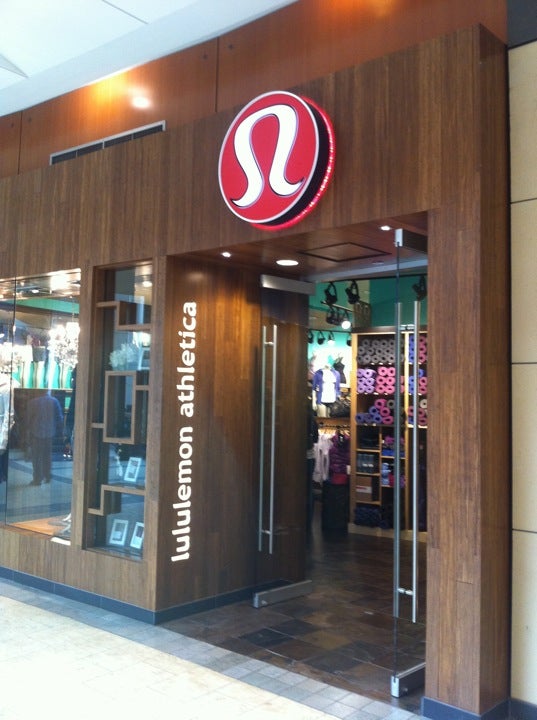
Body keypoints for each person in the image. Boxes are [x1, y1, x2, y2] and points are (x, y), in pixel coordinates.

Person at [26, 390, 63, 486]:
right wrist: (58, 431)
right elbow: (59, 418)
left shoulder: (32, 402)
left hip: (36, 433)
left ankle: (37, 479)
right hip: (50, 433)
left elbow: (28, 420)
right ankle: (47, 476)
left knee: (36, 457)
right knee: (47, 456)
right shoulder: (54, 401)